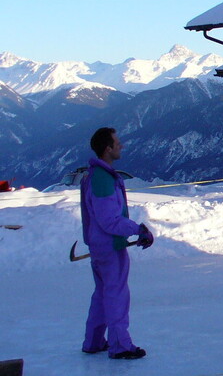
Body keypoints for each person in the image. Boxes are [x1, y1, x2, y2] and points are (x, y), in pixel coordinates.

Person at [80, 127, 154, 360]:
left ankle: (93, 342)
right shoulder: (102, 179)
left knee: (102, 293)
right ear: (107, 148)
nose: (121, 145)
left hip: (100, 246)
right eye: (117, 142)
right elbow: (109, 220)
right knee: (116, 295)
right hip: (110, 247)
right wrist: (138, 230)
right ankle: (120, 345)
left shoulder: (97, 175)